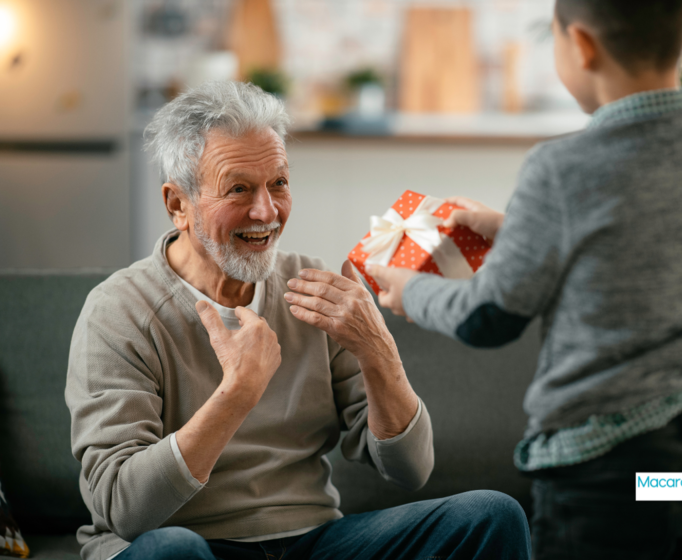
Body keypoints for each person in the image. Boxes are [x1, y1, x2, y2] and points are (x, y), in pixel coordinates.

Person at [65, 81, 531, 560]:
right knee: (171, 552)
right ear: (178, 204)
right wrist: (238, 393)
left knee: (491, 514)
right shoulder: (119, 311)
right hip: (189, 543)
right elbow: (123, 509)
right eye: (239, 188)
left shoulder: (314, 289)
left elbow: (411, 471)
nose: (266, 211)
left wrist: (379, 351)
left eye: (279, 183)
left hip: (311, 543)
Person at [370, 1, 682, 558]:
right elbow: (648, 242)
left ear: (580, 45)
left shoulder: (560, 167)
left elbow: (490, 316)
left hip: (610, 475)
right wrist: (517, 231)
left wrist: (411, 291)